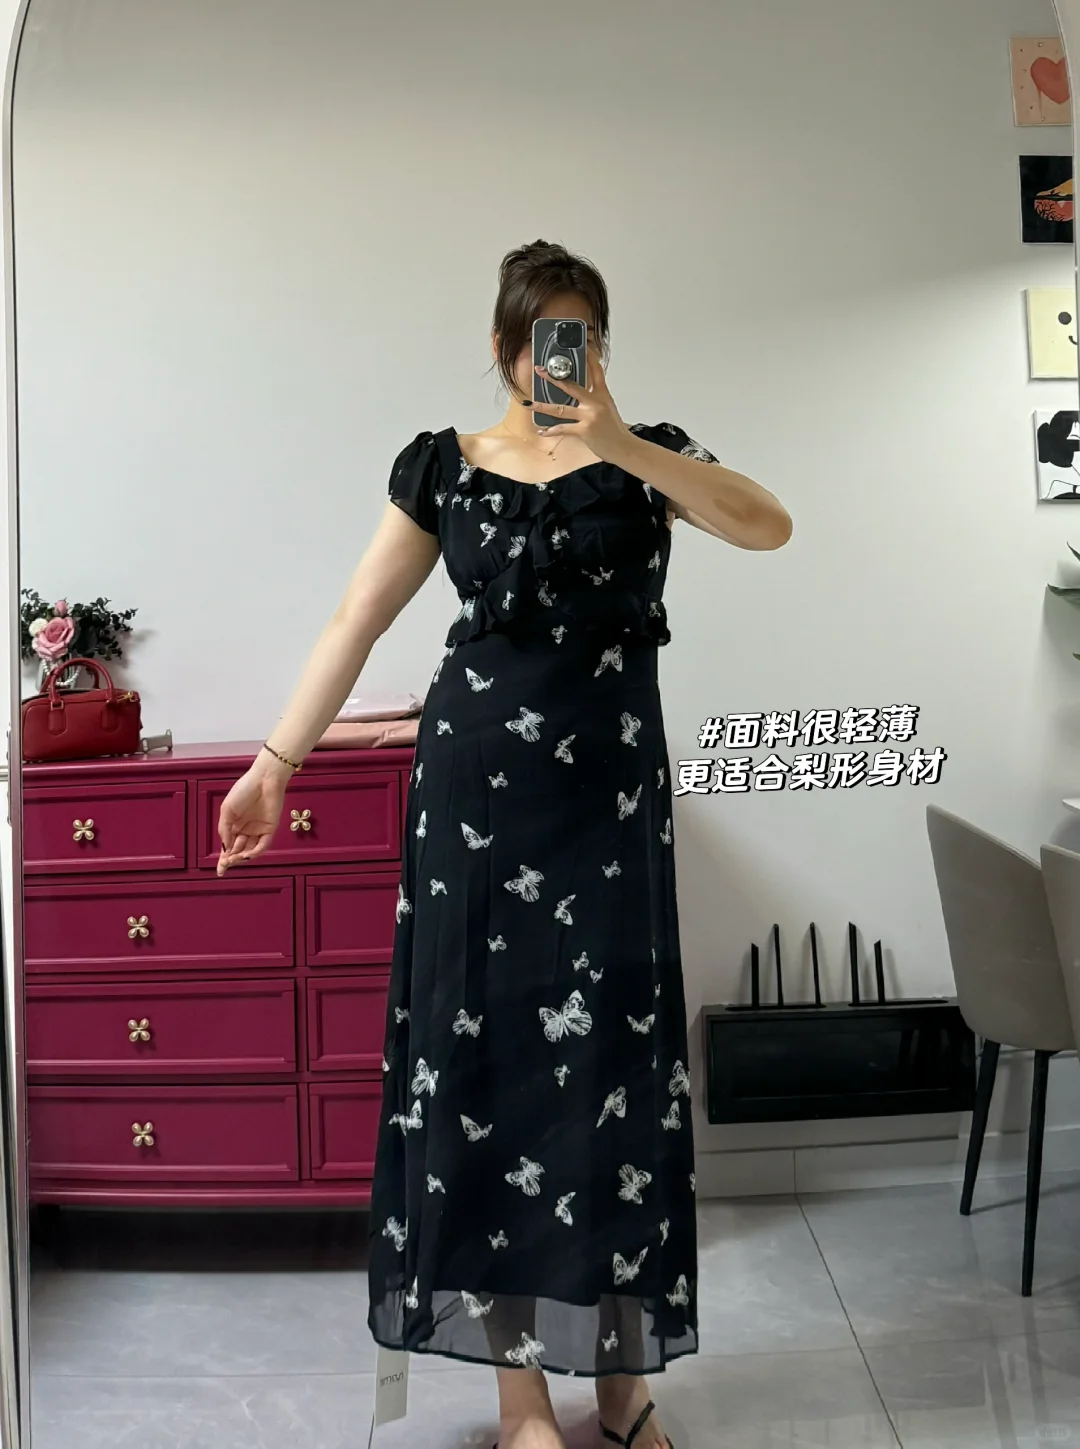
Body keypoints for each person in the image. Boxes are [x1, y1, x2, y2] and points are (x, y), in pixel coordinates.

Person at [216, 239, 792, 1449]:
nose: (557, 360)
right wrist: (275, 761)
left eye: (580, 337)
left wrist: (620, 442)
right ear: (502, 346)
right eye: (539, 340)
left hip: (610, 810)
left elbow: (768, 526)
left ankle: (622, 1386)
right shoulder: (447, 466)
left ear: (602, 347)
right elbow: (356, 616)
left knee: (614, 1081)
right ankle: (521, 1397)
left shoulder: (650, 458)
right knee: (491, 1079)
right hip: (479, 805)